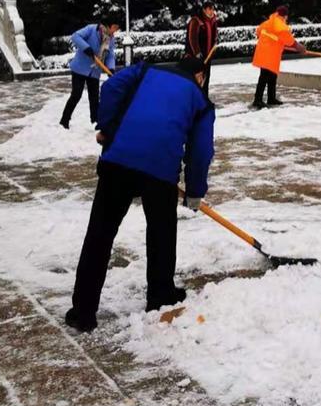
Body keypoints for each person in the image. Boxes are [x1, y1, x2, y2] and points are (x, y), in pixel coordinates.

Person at [65, 55, 215, 332]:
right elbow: (201, 151)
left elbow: (110, 88)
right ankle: (160, 296)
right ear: (200, 76)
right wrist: (195, 191)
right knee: (161, 232)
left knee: (100, 232)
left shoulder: (145, 70)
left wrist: (108, 128)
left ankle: (83, 311)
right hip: (160, 171)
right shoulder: (200, 100)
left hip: (117, 160)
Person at [59, 20, 120, 129]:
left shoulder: (110, 39)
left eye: (117, 28)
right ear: (108, 25)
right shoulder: (92, 29)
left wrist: (111, 68)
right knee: (76, 95)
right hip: (80, 69)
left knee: (94, 97)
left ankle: (95, 120)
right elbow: (75, 36)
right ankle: (65, 120)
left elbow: (110, 55)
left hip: (95, 71)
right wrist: (86, 48)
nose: (116, 30)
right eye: (115, 27)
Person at [251, 5, 306, 109]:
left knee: (272, 75)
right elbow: (289, 40)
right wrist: (299, 47)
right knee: (264, 76)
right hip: (269, 53)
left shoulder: (269, 22)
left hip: (266, 52)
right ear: (285, 16)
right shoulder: (280, 24)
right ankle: (257, 100)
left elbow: (258, 31)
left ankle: (271, 98)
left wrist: (274, 41)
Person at [185, 0, 219, 94]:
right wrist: (197, 52)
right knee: (196, 79)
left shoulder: (213, 21)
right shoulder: (196, 20)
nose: (212, 11)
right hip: (195, 57)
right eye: (209, 9)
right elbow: (192, 38)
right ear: (204, 10)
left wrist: (215, 44)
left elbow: (214, 35)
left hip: (207, 56)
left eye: (213, 9)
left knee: (206, 78)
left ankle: (204, 99)